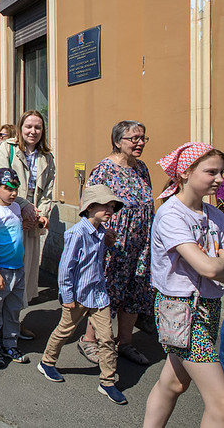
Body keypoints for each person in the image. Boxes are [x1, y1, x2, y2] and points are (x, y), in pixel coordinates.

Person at [143, 143, 224, 428]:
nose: (220, 179)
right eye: (211, 171)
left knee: (173, 383)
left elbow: (215, 267)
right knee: (221, 404)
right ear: (186, 172)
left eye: (221, 172)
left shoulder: (216, 216)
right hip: (181, 311)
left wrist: (216, 264)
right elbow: (207, 266)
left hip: (209, 306)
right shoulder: (171, 215)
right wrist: (215, 263)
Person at [37, 184, 128, 405]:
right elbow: (66, 268)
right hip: (78, 295)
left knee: (106, 338)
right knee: (65, 330)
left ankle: (107, 381)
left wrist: (108, 242)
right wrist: (66, 296)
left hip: (98, 295)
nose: (110, 210)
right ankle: (47, 362)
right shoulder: (76, 233)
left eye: (112, 206)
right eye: (105, 205)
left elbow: (96, 260)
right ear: (89, 207)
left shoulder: (101, 232)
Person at [80, 121, 155, 366]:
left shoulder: (142, 168)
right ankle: (90, 340)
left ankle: (125, 342)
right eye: (134, 138)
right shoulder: (104, 169)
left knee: (135, 292)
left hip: (140, 244)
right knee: (107, 291)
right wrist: (99, 235)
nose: (140, 143)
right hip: (114, 243)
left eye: (143, 138)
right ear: (117, 141)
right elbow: (89, 205)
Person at [0, 110, 54, 339]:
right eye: (28, 127)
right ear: (20, 127)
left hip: (31, 224)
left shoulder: (47, 156)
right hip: (7, 221)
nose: (33, 131)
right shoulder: (7, 148)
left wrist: (41, 214)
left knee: (24, 277)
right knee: (4, 275)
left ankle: (14, 323)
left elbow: (48, 191)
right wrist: (24, 206)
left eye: (37, 127)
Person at [0, 168, 29, 368]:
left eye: (15, 188)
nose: (13, 193)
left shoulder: (16, 208)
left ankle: (10, 343)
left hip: (17, 268)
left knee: (13, 309)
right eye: (8, 188)